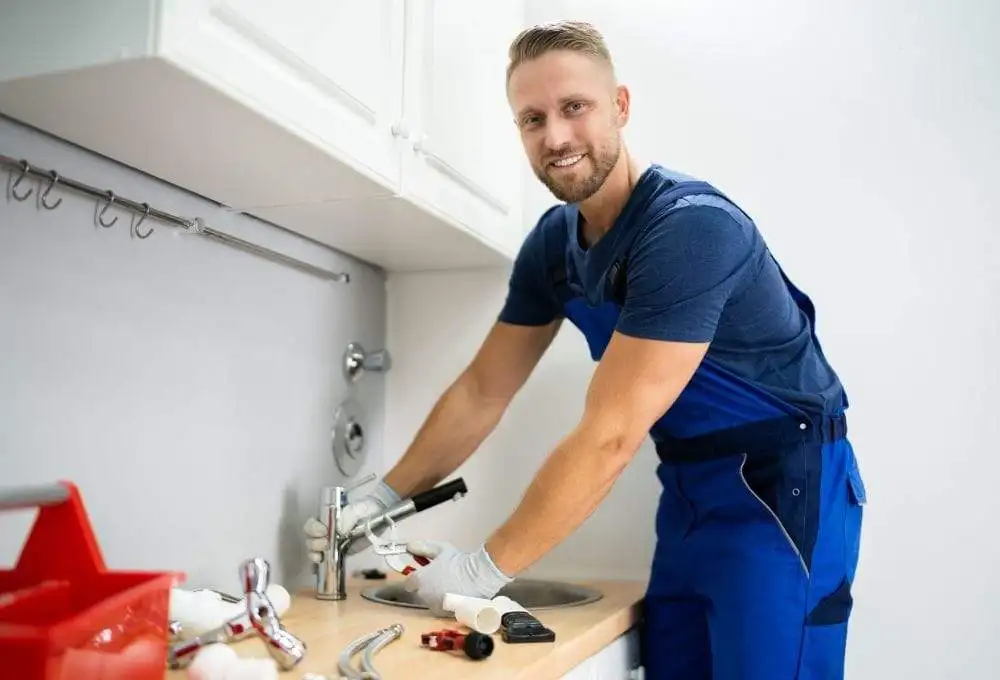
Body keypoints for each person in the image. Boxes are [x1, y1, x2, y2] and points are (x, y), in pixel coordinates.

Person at [304, 20, 866, 680]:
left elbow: (610, 436)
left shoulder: (691, 230)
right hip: (687, 493)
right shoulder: (553, 245)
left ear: (620, 107)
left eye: (575, 108)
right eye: (532, 119)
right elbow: (483, 390)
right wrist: (383, 498)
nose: (556, 137)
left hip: (784, 492)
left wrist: (486, 567)